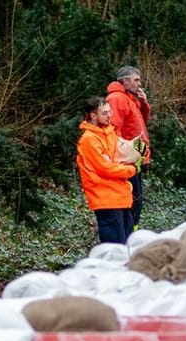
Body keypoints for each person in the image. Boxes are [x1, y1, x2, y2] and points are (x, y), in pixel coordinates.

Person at [77, 96, 138, 246]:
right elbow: (105, 168)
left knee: (126, 246)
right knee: (115, 249)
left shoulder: (110, 132)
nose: (110, 115)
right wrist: (131, 169)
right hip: (105, 198)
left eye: (110, 112)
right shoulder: (89, 139)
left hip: (121, 195)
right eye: (105, 113)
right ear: (93, 115)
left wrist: (138, 153)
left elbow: (122, 155)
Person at [105, 66, 152, 228]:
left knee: (136, 202)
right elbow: (113, 129)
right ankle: (129, 237)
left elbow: (141, 123)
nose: (139, 84)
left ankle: (132, 234)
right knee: (133, 202)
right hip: (127, 160)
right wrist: (121, 156)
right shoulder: (117, 99)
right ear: (125, 81)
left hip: (136, 157)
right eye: (136, 80)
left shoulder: (130, 98)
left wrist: (144, 103)